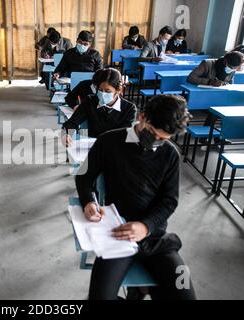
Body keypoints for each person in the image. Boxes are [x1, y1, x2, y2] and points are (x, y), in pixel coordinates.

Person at [76, 94, 196, 300]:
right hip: (116, 236)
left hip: (157, 241)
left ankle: (140, 291)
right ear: (142, 117)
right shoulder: (108, 141)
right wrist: (89, 201)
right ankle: (138, 293)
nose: (156, 142)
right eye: (153, 134)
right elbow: (84, 176)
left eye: (164, 138)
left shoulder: (170, 154)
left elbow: (169, 201)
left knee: (185, 295)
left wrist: (146, 226)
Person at [62, 68, 136, 143]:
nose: (103, 93)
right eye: (100, 90)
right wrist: (67, 134)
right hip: (91, 146)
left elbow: (125, 135)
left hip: (115, 148)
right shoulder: (90, 101)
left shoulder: (129, 109)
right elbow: (72, 122)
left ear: (117, 90)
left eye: (108, 91)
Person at [187, 51, 244, 134]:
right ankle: (211, 135)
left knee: (225, 107)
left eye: (234, 68)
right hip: (202, 97)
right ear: (225, 61)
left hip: (218, 98)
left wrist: (227, 85)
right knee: (217, 108)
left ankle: (219, 135)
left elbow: (230, 82)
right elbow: (191, 78)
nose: (232, 69)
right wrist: (210, 82)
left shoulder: (234, 67)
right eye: (230, 67)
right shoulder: (207, 64)